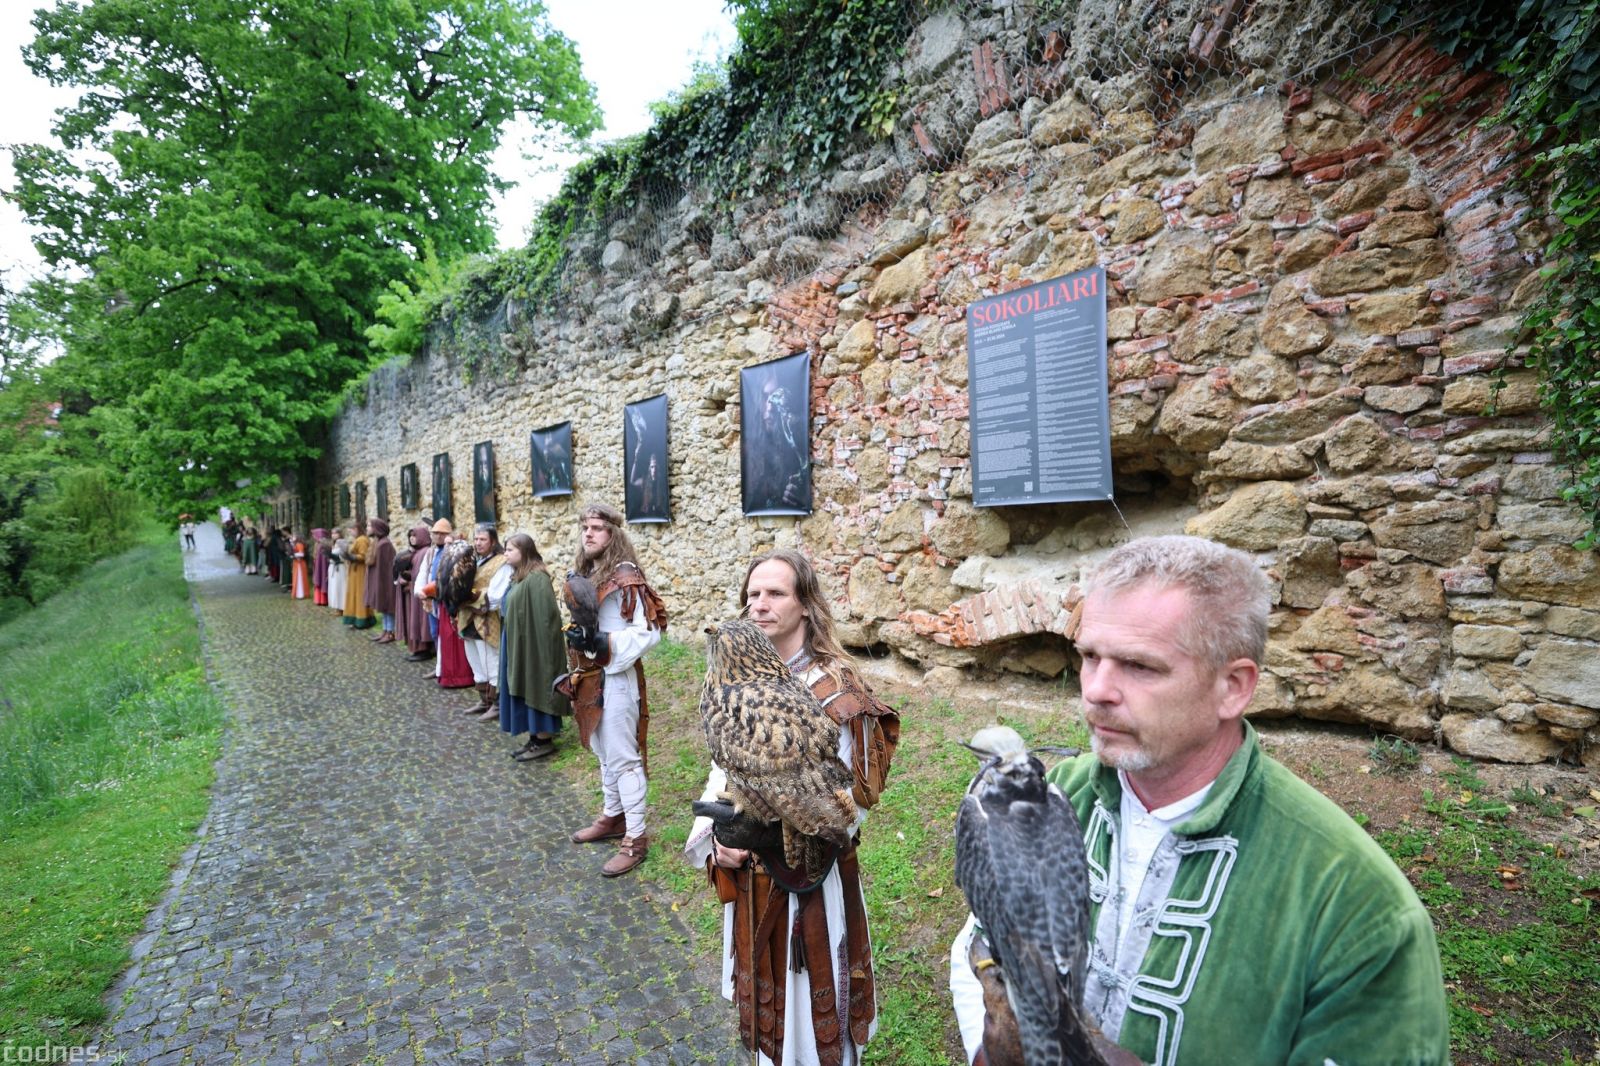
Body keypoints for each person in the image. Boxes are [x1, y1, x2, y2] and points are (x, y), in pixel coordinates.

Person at [948, 535, 1450, 1066]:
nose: (1097, 689)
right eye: (1090, 656)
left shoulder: (1354, 904)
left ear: (1232, 687)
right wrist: (990, 1049)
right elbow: (977, 946)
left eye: (1140, 666)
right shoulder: (1053, 797)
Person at [684, 549, 900, 1066]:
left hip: (812, 881)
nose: (760, 604)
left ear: (805, 605)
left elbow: (853, 800)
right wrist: (720, 839)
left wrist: (780, 824)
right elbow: (725, 773)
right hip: (753, 886)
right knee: (770, 1028)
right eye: (752, 594)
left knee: (813, 1028)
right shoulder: (735, 683)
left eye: (775, 593)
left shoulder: (836, 689)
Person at [564, 502, 666, 877]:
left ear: (614, 535)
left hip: (616, 678)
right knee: (604, 751)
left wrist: (600, 641)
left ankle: (635, 839)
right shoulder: (590, 572)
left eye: (597, 528)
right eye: (585, 527)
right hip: (589, 676)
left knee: (623, 758)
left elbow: (649, 633)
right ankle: (613, 817)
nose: (588, 533)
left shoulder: (626, 577)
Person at [497, 532, 570, 759]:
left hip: (534, 646)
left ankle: (544, 739)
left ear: (524, 551)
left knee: (536, 682)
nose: (505, 553)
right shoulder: (520, 576)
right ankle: (534, 737)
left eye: (510, 549)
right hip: (518, 641)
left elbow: (546, 619)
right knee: (522, 684)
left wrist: (540, 653)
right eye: (506, 549)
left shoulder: (537, 578)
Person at [453, 523, 510, 718]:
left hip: (487, 620)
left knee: (491, 662)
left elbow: (495, 597)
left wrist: (466, 596)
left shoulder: (502, 563)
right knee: (476, 662)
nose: (478, 543)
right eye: (476, 539)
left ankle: (498, 704)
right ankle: (484, 700)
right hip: (468, 619)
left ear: (493, 541)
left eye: (483, 539)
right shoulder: (472, 561)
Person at [394, 524, 433, 662]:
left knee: (419, 621)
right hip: (411, 592)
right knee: (414, 620)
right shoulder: (416, 552)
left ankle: (423, 649)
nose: (412, 538)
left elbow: (422, 575)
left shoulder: (425, 552)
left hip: (418, 593)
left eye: (415, 535)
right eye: (410, 536)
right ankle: (416, 648)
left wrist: (409, 582)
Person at [364, 518, 398, 643]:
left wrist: (384, 585)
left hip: (385, 583)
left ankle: (390, 632)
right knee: (383, 607)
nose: (367, 528)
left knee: (387, 606)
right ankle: (385, 630)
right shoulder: (378, 542)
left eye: (369, 526)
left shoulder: (385, 545)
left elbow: (387, 569)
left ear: (377, 528)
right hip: (380, 582)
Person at [342, 523, 374, 628]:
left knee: (360, 594)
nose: (350, 532)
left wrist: (351, 557)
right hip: (356, 571)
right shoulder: (359, 539)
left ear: (356, 529)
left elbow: (364, 556)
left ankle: (362, 619)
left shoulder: (362, 540)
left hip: (360, 571)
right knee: (354, 595)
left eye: (351, 530)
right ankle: (355, 618)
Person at [327, 527, 347, 616]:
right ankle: (337, 607)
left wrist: (337, 558)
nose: (333, 535)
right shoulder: (333, 544)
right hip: (333, 567)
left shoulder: (342, 542)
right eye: (332, 533)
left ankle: (342, 607)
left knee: (339, 587)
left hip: (340, 567)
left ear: (340, 534)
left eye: (335, 533)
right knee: (333, 588)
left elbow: (345, 554)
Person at [311, 528, 333, 607]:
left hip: (321, 567)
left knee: (322, 579)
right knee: (322, 579)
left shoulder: (321, 546)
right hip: (319, 567)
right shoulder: (320, 545)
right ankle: (320, 599)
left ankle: (322, 599)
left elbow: (321, 559)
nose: (313, 537)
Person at [290, 530, 310, 599]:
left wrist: (293, 555)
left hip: (299, 563)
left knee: (299, 577)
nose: (293, 537)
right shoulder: (297, 544)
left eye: (294, 536)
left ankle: (300, 593)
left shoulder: (299, 544)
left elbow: (301, 554)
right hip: (297, 563)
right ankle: (299, 593)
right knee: (297, 577)